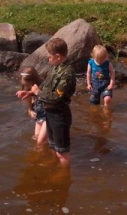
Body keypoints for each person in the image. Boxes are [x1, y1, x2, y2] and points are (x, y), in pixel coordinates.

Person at [16, 38, 76, 167]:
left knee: (62, 151)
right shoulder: (55, 68)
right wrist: (30, 93)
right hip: (50, 113)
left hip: (60, 116)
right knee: (53, 146)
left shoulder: (67, 74)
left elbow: (56, 97)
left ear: (58, 56)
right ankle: (55, 166)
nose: (48, 59)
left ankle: (64, 175)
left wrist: (37, 93)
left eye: (49, 57)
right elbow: (46, 88)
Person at [18, 66, 47, 145]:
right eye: (25, 85)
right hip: (39, 117)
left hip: (47, 117)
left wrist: (37, 92)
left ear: (34, 81)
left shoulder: (43, 87)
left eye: (28, 85)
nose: (27, 88)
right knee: (36, 138)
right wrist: (30, 110)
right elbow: (29, 103)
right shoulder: (27, 89)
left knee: (40, 142)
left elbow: (49, 100)